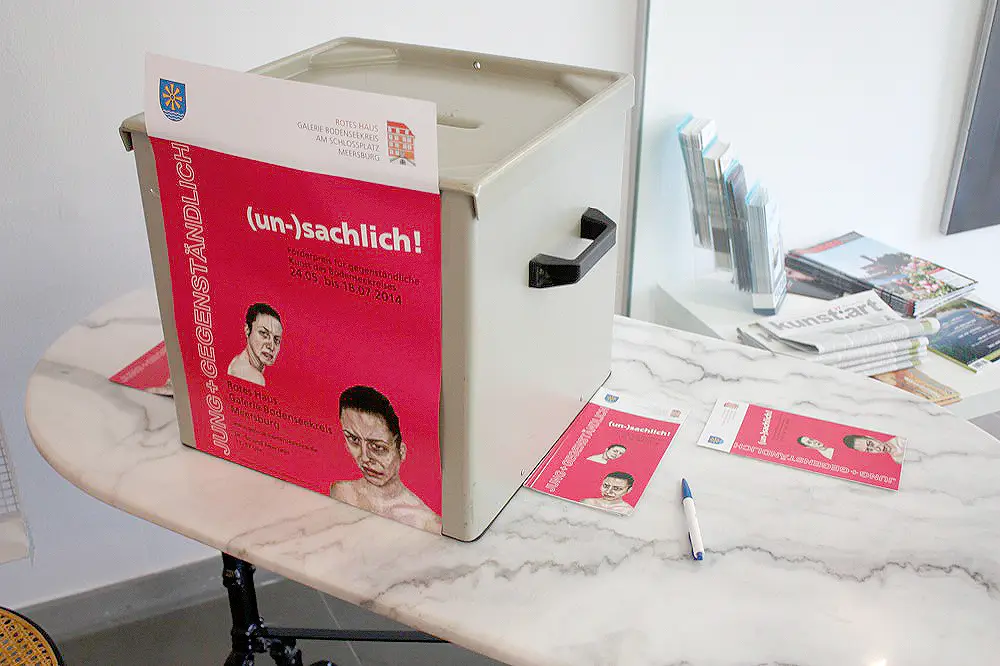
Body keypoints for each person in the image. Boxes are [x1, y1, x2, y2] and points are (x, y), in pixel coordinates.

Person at [330, 385, 441, 532]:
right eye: (353, 440)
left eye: (378, 447)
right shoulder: (342, 492)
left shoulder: (427, 522)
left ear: (401, 451)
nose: (364, 458)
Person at [228, 303, 282, 387]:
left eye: (276, 340)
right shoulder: (255, 379)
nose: (271, 346)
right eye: (264, 333)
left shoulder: (239, 361)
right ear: (247, 330)